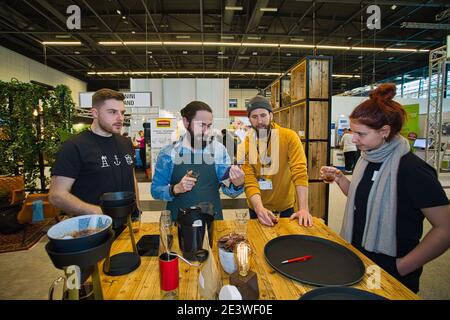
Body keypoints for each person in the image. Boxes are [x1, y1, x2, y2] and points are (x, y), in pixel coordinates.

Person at [320, 83, 450, 293]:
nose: (353, 139)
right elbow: (361, 197)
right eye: (353, 132)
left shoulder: (413, 170)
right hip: (360, 258)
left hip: (392, 266)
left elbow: (446, 228)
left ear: (384, 131)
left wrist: (402, 266)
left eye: (360, 134)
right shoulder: (367, 158)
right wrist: (339, 178)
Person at [49, 88, 142, 217]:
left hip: (129, 223)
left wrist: (138, 208)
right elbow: (57, 195)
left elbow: (132, 178)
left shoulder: (125, 142)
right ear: (95, 113)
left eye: (122, 112)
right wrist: (101, 213)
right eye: (112, 112)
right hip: (94, 227)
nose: (120, 118)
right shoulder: (75, 146)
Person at [151, 101, 245, 220]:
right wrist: (175, 189)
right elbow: (155, 190)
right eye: (201, 125)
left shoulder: (218, 151)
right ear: (186, 122)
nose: (206, 131)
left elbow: (229, 189)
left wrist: (237, 184)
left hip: (212, 221)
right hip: (178, 223)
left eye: (209, 126)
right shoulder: (168, 154)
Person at [242, 95, 312, 227]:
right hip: (257, 207)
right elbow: (249, 179)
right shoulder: (247, 142)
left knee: (286, 245)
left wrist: (303, 208)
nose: (260, 121)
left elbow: (299, 171)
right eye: (254, 117)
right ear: (249, 120)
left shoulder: (289, 136)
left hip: (285, 207)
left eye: (263, 115)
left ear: (271, 115)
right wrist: (259, 209)